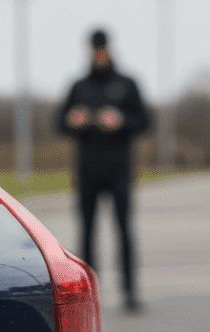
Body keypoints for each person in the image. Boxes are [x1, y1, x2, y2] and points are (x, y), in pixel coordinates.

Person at [57, 29, 152, 311]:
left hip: (119, 170)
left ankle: (130, 291)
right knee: (86, 232)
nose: (98, 54)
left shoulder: (126, 83)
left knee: (124, 230)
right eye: (94, 49)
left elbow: (144, 120)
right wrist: (74, 119)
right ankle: (87, 296)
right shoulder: (79, 86)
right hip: (87, 172)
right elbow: (60, 122)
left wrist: (120, 120)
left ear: (109, 50)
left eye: (102, 49)